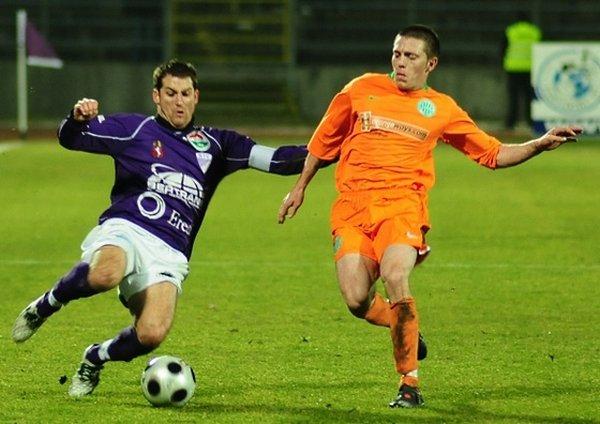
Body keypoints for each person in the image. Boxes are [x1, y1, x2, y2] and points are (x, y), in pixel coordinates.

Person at [278, 25, 581, 408]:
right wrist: (300, 186)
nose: (401, 63)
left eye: (411, 56)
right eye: (397, 54)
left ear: (430, 64)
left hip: (402, 208)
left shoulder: (441, 108)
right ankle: (403, 324)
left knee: (395, 275)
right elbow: (322, 143)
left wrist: (538, 144)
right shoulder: (359, 89)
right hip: (352, 208)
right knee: (356, 300)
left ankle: (409, 383)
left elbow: (492, 153)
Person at [12, 59, 308, 398]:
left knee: (151, 333)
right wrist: (77, 118)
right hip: (127, 227)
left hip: (170, 251)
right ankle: (44, 306)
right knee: (106, 273)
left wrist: (332, 148)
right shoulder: (134, 129)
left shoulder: (219, 144)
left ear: (196, 96)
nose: (179, 101)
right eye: (170, 93)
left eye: (185, 93)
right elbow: (71, 138)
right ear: (156, 96)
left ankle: (94, 357)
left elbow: (278, 159)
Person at [501, 12, 542, 130]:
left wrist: (503, 61)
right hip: (530, 68)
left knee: (513, 97)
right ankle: (530, 122)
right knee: (529, 97)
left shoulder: (511, 31)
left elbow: (503, 48)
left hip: (513, 68)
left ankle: (511, 123)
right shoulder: (535, 32)